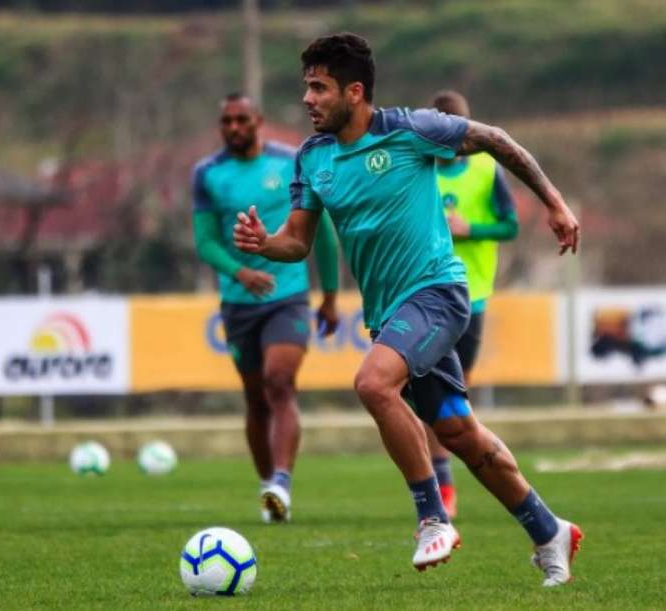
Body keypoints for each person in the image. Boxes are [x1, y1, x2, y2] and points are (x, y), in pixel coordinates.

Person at [233, 34, 582, 585]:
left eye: (319, 87)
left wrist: (555, 204)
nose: (308, 99)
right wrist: (263, 242)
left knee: (373, 383)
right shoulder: (314, 157)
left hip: (438, 293)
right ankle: (548, 530)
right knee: (460, 433)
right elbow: (297, 242)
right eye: (306, 87)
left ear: (354, 91)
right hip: (390, 312)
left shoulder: (410, 129)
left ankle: (431, 517)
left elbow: (495, 139)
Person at [192, 92, 340, 524]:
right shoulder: (207, 174)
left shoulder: (292, 161)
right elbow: (205, 241)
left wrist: (329, 296)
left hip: (287, 295)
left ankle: (282, 482)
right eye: (227, 121)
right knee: (256, 400)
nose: (235, 127)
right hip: (239, 302)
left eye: (242, 119)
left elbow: (322, 233)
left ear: (259, 120)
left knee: (280, 383)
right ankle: (268, 490)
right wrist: (240, 273)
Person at [423, 89, 520, 520]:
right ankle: (443, 487)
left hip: (472, 297)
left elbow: (510, 225)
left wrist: (471, 227)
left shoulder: (486, 167)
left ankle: (481, 475)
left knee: (457, 399)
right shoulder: (419, 167)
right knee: (430, 395)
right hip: (426, 295)